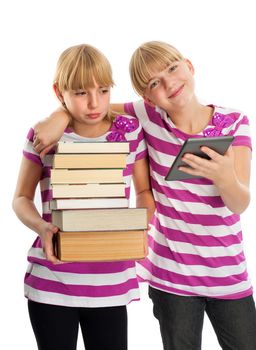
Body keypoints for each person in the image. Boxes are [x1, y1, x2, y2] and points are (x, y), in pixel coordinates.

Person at [31, 41, 256, 350]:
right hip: (171, 277)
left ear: (189, 66)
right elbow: (92, 106)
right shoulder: (147, 116)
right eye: (154, 83)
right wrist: (59, 116)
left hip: (229, 273)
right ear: (147, 97)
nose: (169, 83)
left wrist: (224, 176)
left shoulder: (234, 122)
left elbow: (240, 202)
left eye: (173, 68)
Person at [12, 43, 155, 350]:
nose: (94, 103)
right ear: (58, 92)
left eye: (103, 90)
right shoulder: (45, 135)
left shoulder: (130, 131)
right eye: (80, 93)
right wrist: (42, 227)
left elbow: (144, 191)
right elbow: (21, 198)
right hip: (53, 282)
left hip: (110, 282)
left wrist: (139, 227)